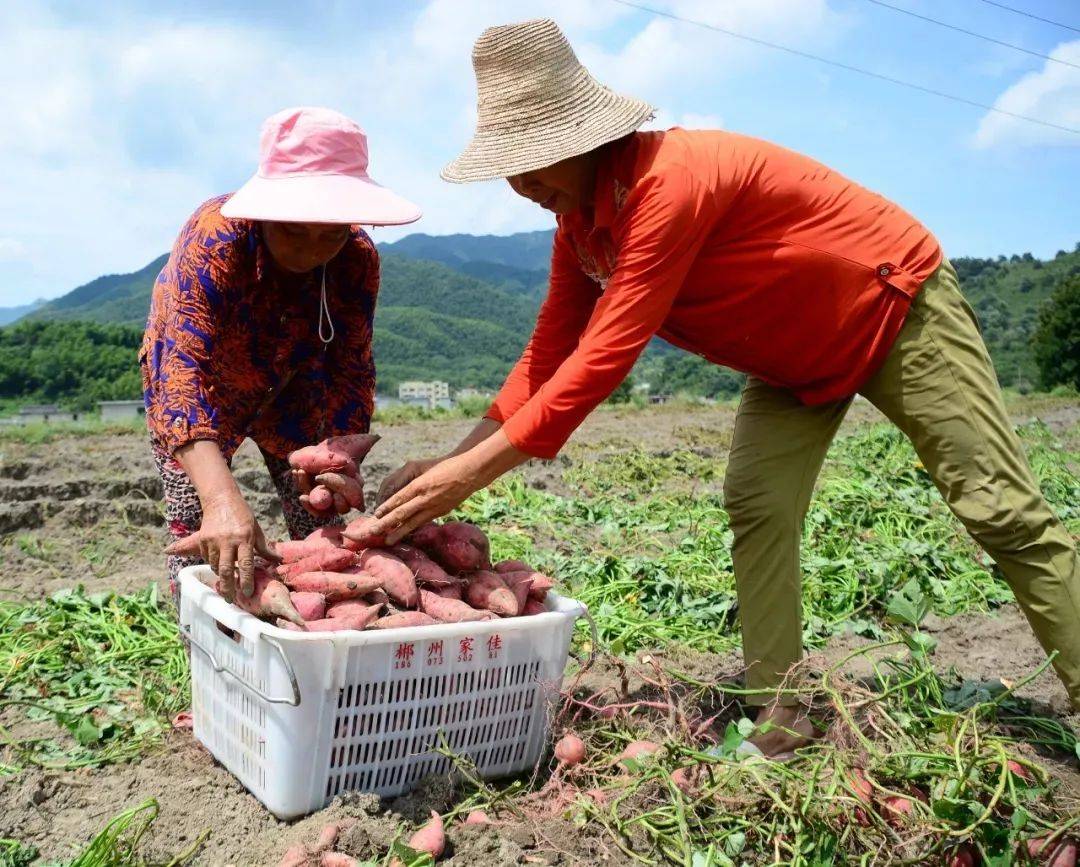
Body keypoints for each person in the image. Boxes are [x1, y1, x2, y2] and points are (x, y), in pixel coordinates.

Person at [372, 19, 1080, 756]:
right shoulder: (579, 227)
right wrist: (449, 462)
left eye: (534, 163)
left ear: (581, 139)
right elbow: (546, 356)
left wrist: (464, 480)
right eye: (510, 169)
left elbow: (604, 357)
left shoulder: (669, 184)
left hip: (893, 307)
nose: (522, 186)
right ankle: (782, 716)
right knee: (756, 500)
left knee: (997, 506)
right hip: (794, 358)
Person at [141, 106, 420, 603]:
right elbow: (180, 372)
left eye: (330, 232)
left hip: (295, 389)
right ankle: (208, 649)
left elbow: (351, 367)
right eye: (294, 230)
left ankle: (323, 636)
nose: (312, 250)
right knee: (205, 531)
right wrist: (222, 498)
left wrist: (342, 454)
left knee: (323, 527)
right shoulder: (218, 237)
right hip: (205, 395)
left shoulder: (355, 257)